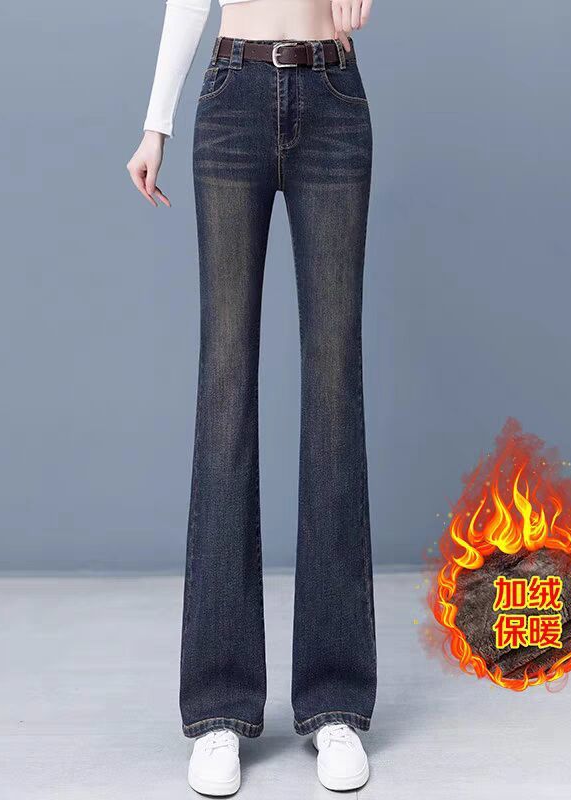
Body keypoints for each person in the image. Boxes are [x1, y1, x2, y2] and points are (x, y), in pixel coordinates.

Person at [127, 0, 376, 794]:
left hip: (333, 100)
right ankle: (219, 709)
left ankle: (334, 700)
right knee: (226, 388)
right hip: (231, 98)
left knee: (333, 388)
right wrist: (157, 123)